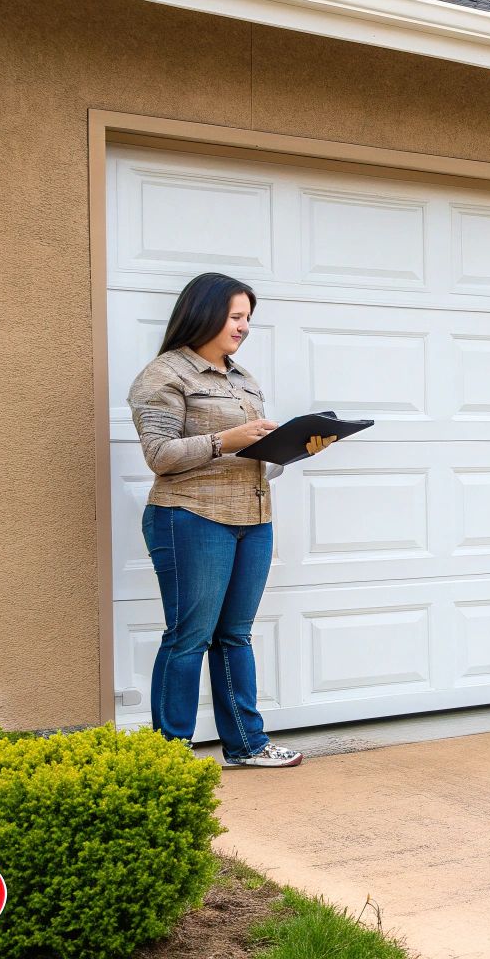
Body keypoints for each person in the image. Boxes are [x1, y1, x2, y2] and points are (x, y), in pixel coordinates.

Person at [126, 271, 303, 769]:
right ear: (204, 313)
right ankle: (169, 758)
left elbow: (257, 454)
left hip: (253, 516)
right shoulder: (163, 375)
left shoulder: (243, 378)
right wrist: (228, 440)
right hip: (189, 517)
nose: (244, 327)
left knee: (235, 635)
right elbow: (159, 455)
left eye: (248, 318)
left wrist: (292, 448)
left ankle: (246, 744)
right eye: (236, 316)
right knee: (189, 637)